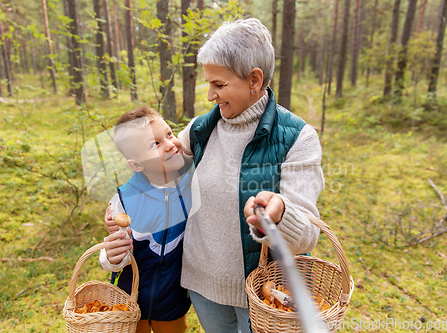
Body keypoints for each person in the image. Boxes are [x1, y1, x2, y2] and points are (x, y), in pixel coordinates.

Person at [173, 18, 325, 333]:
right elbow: (163, 178)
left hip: (264, 290)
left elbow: (308, 233)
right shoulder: (202, 128)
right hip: (203, 284)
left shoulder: (297, 138)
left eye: (219, 85)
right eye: (208, 84)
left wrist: (281, 213)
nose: (209, 95)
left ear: (254, 79)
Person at [100, 105, 192, 333]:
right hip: (129, 302)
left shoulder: (190, 183)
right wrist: (109, 257)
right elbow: (117, 252)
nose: (170, 144)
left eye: (169, 134)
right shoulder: (124, 201)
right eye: (156, 144)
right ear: (136, 164)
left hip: (173, 300)